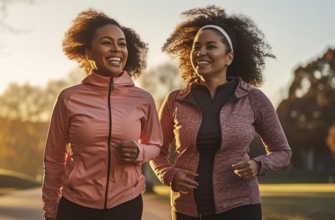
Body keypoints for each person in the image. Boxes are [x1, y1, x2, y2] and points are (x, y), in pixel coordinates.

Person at [150, 5, 292, 220]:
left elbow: (283, 152)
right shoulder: (175, 100)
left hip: (241, 207)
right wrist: (170, 174)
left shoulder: (253, 99)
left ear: (229, 57)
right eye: (196, 47)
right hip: (186, 209)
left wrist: (258, 164)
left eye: (210, 46)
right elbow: (156, 151)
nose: (201, 52)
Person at [42, 9, 163, 220]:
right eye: (107, 42)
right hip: (77, 205)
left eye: (122, 43)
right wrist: (51, 210)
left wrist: (139, 151)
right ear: (89, 53)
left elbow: (155, 145)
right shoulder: (69, 98)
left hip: (126, 204)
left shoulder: (143, 99)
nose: (116, 49)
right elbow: (54, 159)